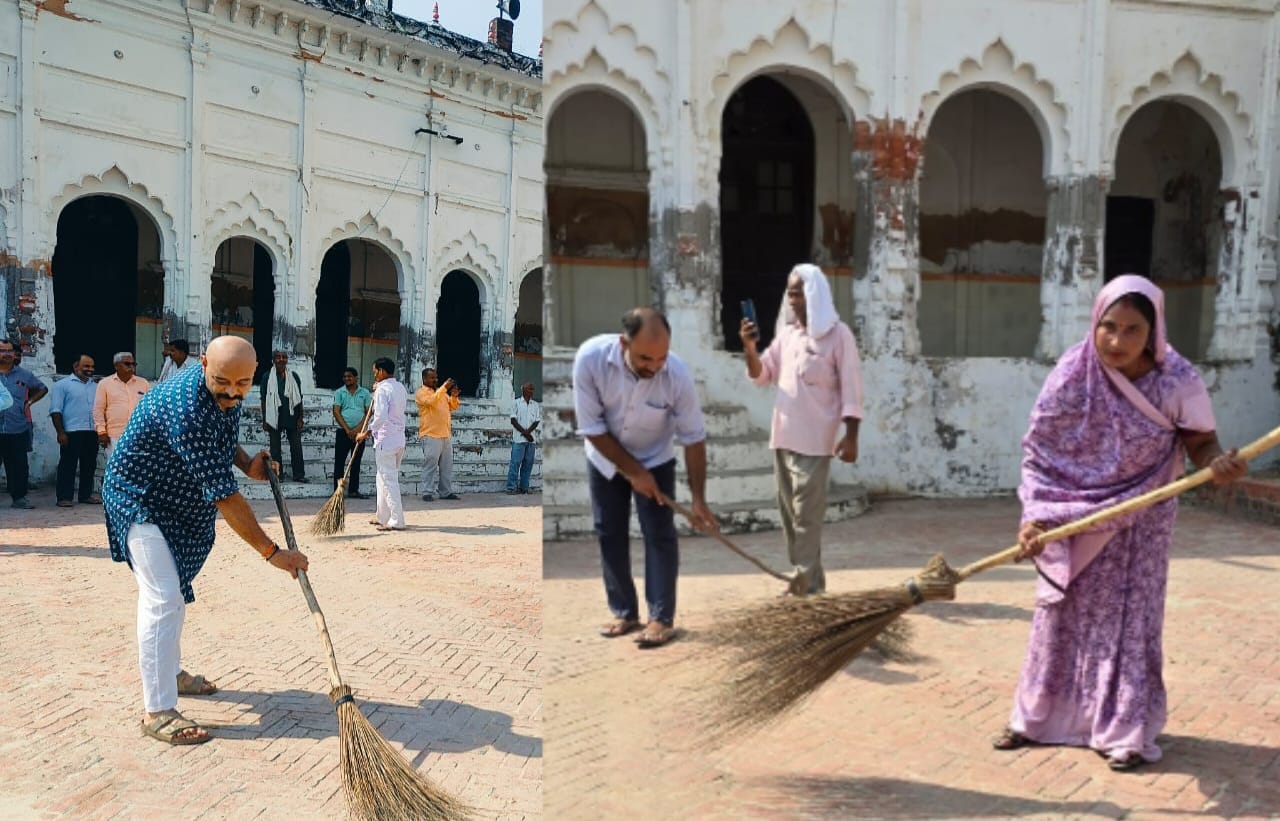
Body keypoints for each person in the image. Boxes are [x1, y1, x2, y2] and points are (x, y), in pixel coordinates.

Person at [993, 274, 1247, 771]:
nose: (1116, 340)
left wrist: (1218, 465)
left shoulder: (1178, 379)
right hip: (1069, 517)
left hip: (1141, 521)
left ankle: (1125, 731)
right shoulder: (1073, 371)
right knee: (1060, 618)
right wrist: (1036, 516)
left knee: (1130, 622)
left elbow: (1201, 444)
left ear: (1153, 333)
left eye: (1132, 330)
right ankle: (1038, 720)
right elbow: (1041, 450)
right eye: (1108, 326)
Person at [103, 335, 309, 745]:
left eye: (242, 384)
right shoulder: (186, 408)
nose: (232, 393)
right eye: (223, 382)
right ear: (202, 364)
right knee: (162, 597)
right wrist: (273, 553)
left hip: (177, 503)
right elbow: (226, 499)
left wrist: (246, 460)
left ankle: (171, 671)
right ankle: (158, 710)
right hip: (139, 499)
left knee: (173, 593)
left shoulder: (223, 393)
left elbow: (222, 433)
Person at [572, 307, 718, 649]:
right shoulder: (591, 359)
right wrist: (634, 472)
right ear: (624, 343)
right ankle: (624, 612)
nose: (654, 366)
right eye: (644, 358)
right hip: (606, 458)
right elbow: (592, 428)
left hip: (657, 458)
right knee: (609, 532)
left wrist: (698, 500)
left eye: (661, 358)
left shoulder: (677, 374)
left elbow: (694, 437)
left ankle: (661, 618)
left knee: (659, 535)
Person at [740, 263, 863, 596]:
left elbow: (852, 389)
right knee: (790, 517)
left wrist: (850, 438)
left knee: (806, 518)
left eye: (798, 293)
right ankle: (808, 581)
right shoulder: (788, 335)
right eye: (790, 293)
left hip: (816, 440)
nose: (792, 300)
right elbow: (761, 375)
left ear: (815, 294)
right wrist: (750, 348)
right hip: (783, 436)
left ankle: (805, 583)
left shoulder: (839, 336)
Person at [357, 357, 408, 531]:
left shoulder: (382, 390)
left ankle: (397, 519)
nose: (375, 375)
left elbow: (380, 417)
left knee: (389, 480)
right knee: (382, 479)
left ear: (382, 371)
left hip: (386, 440)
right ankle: (382, 515)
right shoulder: (400, 387)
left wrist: (366, 432)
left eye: (375, 372)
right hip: (399, 439)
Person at [49, 354, 102, 507]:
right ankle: (64, 497)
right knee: (68, 465)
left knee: (89, 465)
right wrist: (60, 432)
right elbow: (56, 410)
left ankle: (85, 495)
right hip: (71, 431)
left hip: (92, 431)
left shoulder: (96, 386)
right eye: (86, 366)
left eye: (92, 367)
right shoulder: (62, 385)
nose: (90, 370)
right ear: (76, 366)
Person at [0, 339, 48, 508]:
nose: (5, 354)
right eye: (1, 350)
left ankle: (19, 498)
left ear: (14, 354)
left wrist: (29, 402)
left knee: (18, 466)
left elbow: (42, 388)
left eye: (9, 351)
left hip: (17, 427)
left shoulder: (25, 375)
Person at [259, 350, 306, 482]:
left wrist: (301, 417)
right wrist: (265, 419)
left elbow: (299, 398)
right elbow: (263, 399)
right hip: (274, 416)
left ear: (287, 360)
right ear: (273, 360)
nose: (281, 360)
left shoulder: (294, 376)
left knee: (296, 446)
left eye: (284, 357)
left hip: (292, 416)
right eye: (278, 357)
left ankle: (299, 475)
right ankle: (277, 475)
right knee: (275, 448)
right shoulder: (267, 377)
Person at [94, 351, 150, 461]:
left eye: (134, 364)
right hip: (114, 435)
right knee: (116, 466)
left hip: (138, 434)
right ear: (116, 366)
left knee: (137, 468)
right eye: (127, 364)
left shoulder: (143, 383)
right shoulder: (105, 384)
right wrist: (101, 431)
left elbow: (149, 408)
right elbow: (98, 410)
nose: (131, 367)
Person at [415, 368, 460, 501]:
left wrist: (454, 396)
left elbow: (453, 407)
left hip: (445, 434)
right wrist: (444, 388)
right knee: (430, 465)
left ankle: (445, 492)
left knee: (446, 466)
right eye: (431, 378)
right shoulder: (421, 393)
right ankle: (427, 492)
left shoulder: (442, 393)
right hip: (430, 435)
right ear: (424, 379)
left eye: (436, 377)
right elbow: (431, 402)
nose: (435, 380)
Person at [331, 366, 372, 499]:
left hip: (359, 433)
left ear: (356, 378)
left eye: (349, 376)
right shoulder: (339, 392)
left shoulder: (364, 393)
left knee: (356, 462)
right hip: (343, 432)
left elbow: (368, 412)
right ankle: (338, 491)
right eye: (345, 377)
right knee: (339, 462)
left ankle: (354, 490)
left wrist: (358, 429)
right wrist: (348, 430)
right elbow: (336, 411)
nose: (347, 379)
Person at [506, 381, 540, 494]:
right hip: (519, 439)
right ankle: (511, 487)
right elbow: (513, 420)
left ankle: (524, 487)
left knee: (528, 464)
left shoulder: (535, 405)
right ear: (524, 390)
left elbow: (536, 422)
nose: (532, 391)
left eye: (533, 389)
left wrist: (529, 433)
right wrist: (525, 434)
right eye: (530, 389)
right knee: (515, 463)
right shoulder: (516, 403)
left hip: (531, 440)